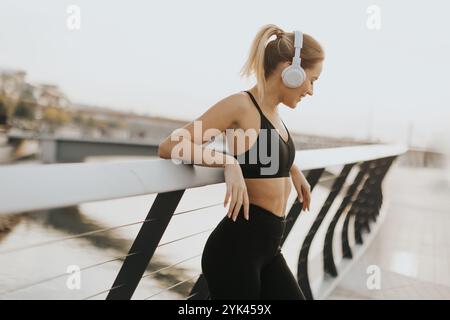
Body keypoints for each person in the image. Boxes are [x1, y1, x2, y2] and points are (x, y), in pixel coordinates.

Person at [158, 24, 324, 299]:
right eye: (312, 79)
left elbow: (260, 152)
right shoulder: (241, 106)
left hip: (269, 250)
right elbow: (170, 145)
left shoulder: (273, 112)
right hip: (235, 251)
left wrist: (290, 167)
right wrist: (227, 162)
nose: (311, 90)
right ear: (291, 70)